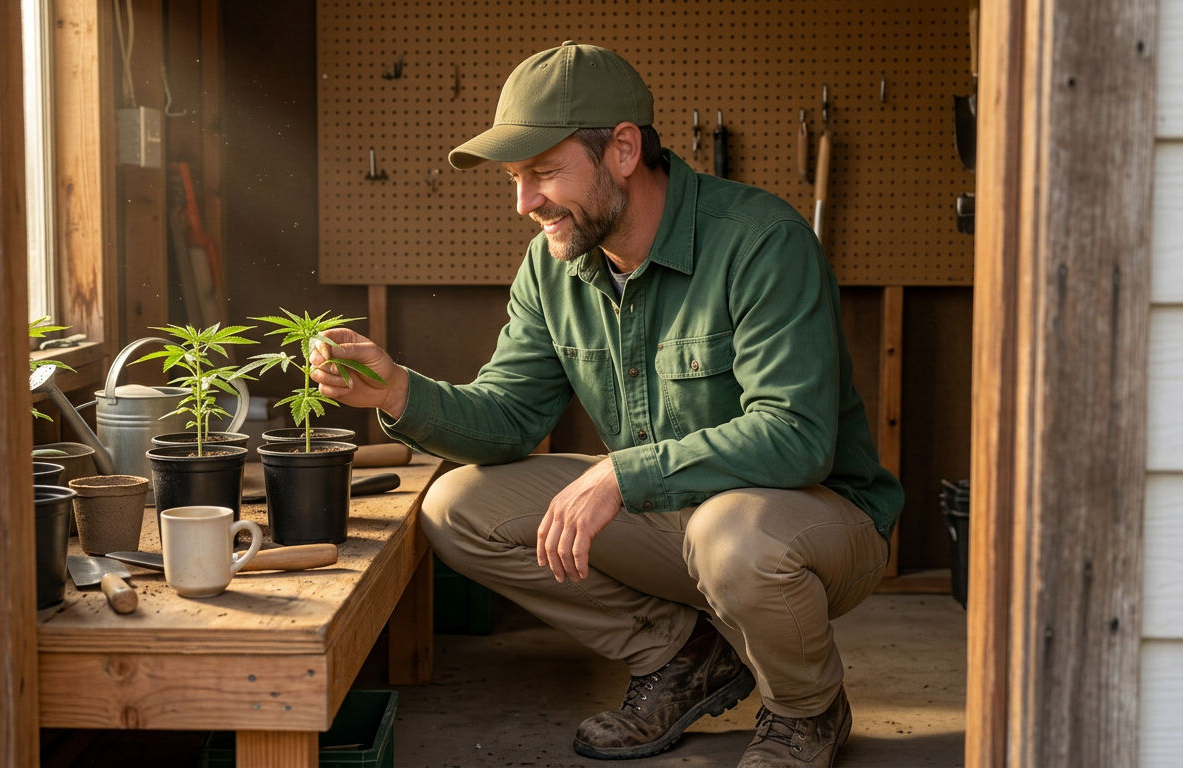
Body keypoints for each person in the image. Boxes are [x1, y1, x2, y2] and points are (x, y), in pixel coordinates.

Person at [308, 41, 903, 768]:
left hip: (815, 527)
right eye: (515, 179)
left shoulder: (762, 242)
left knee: (734, 537)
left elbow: (798, 437)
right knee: (455, 507)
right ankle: (686, 655)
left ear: (623, 149)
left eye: (543, 173)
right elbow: (510, 416)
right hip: (673, 520)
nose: (525, 203)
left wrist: (623, 473)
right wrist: (399, 390)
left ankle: (807, 710)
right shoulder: (552, 266)